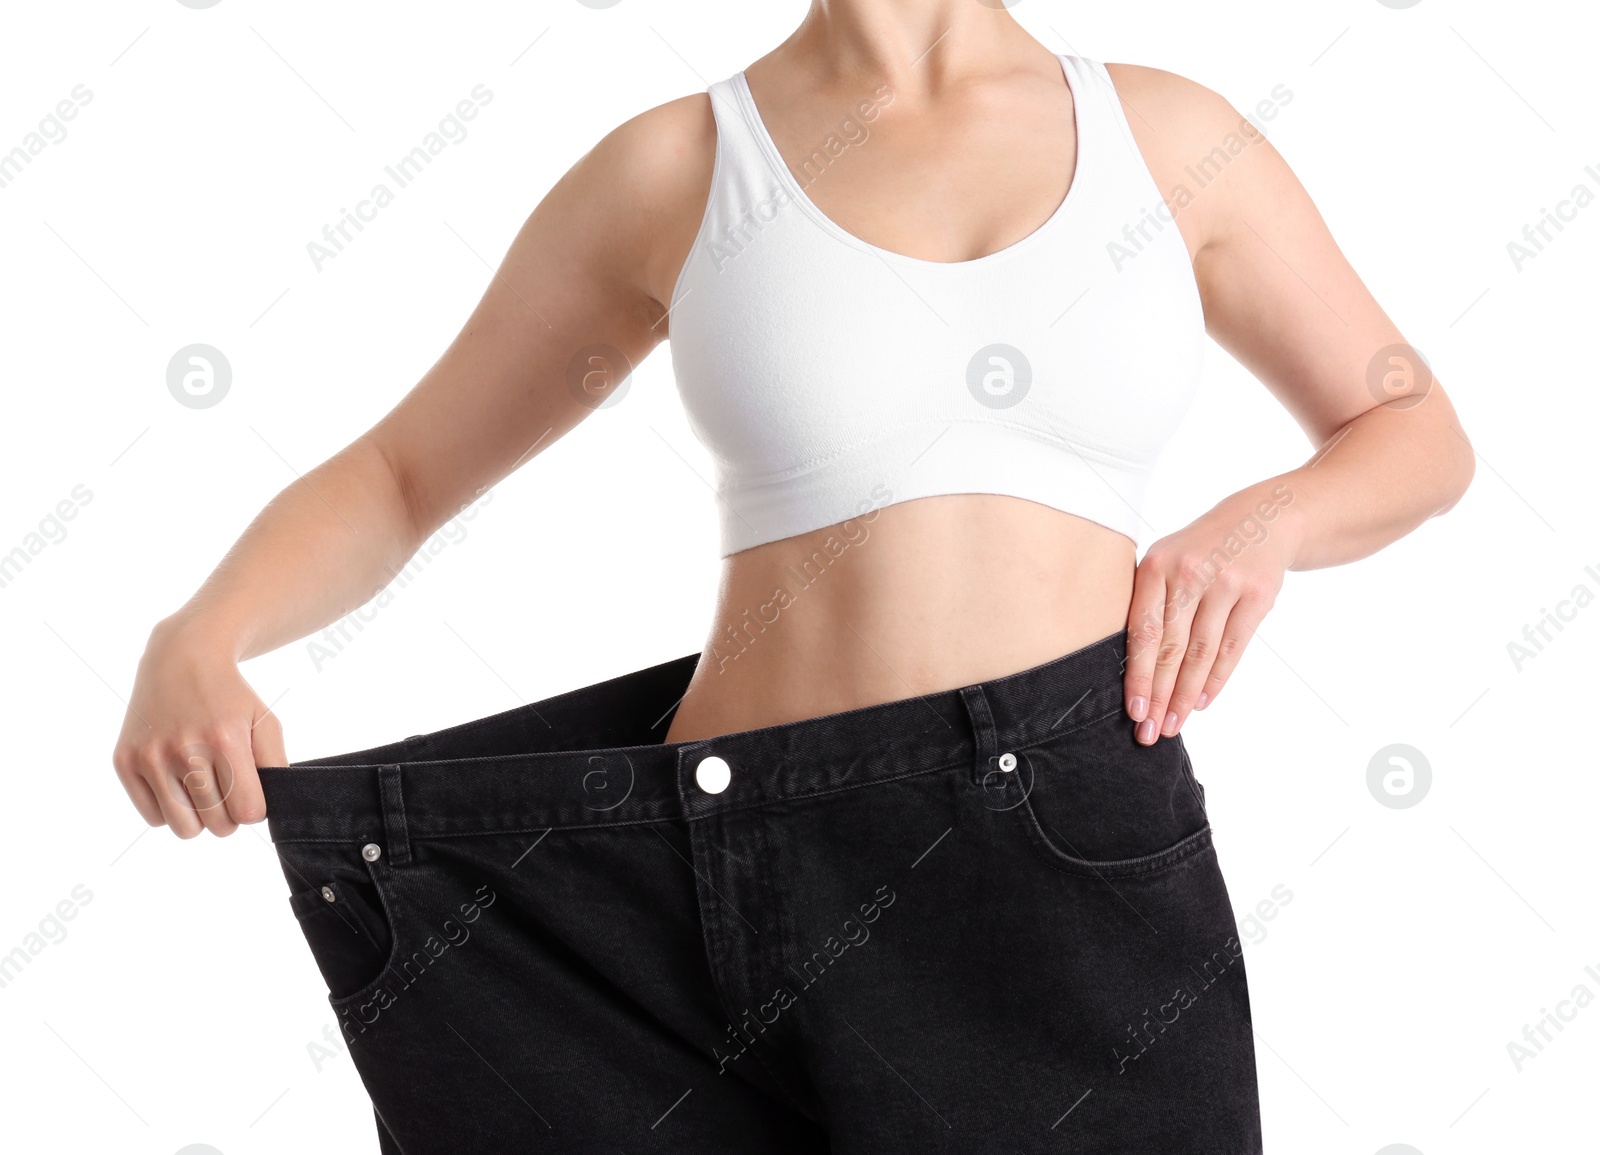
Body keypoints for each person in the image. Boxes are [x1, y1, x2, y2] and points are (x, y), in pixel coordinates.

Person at [111, 2, 1474, 1151]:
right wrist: (203, 630)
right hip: (692, 891)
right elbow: (404, 474)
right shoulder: (678, 169)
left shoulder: (1173, 141)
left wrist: (1271, 517)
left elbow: (1415, 431)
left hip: (1060, 866)